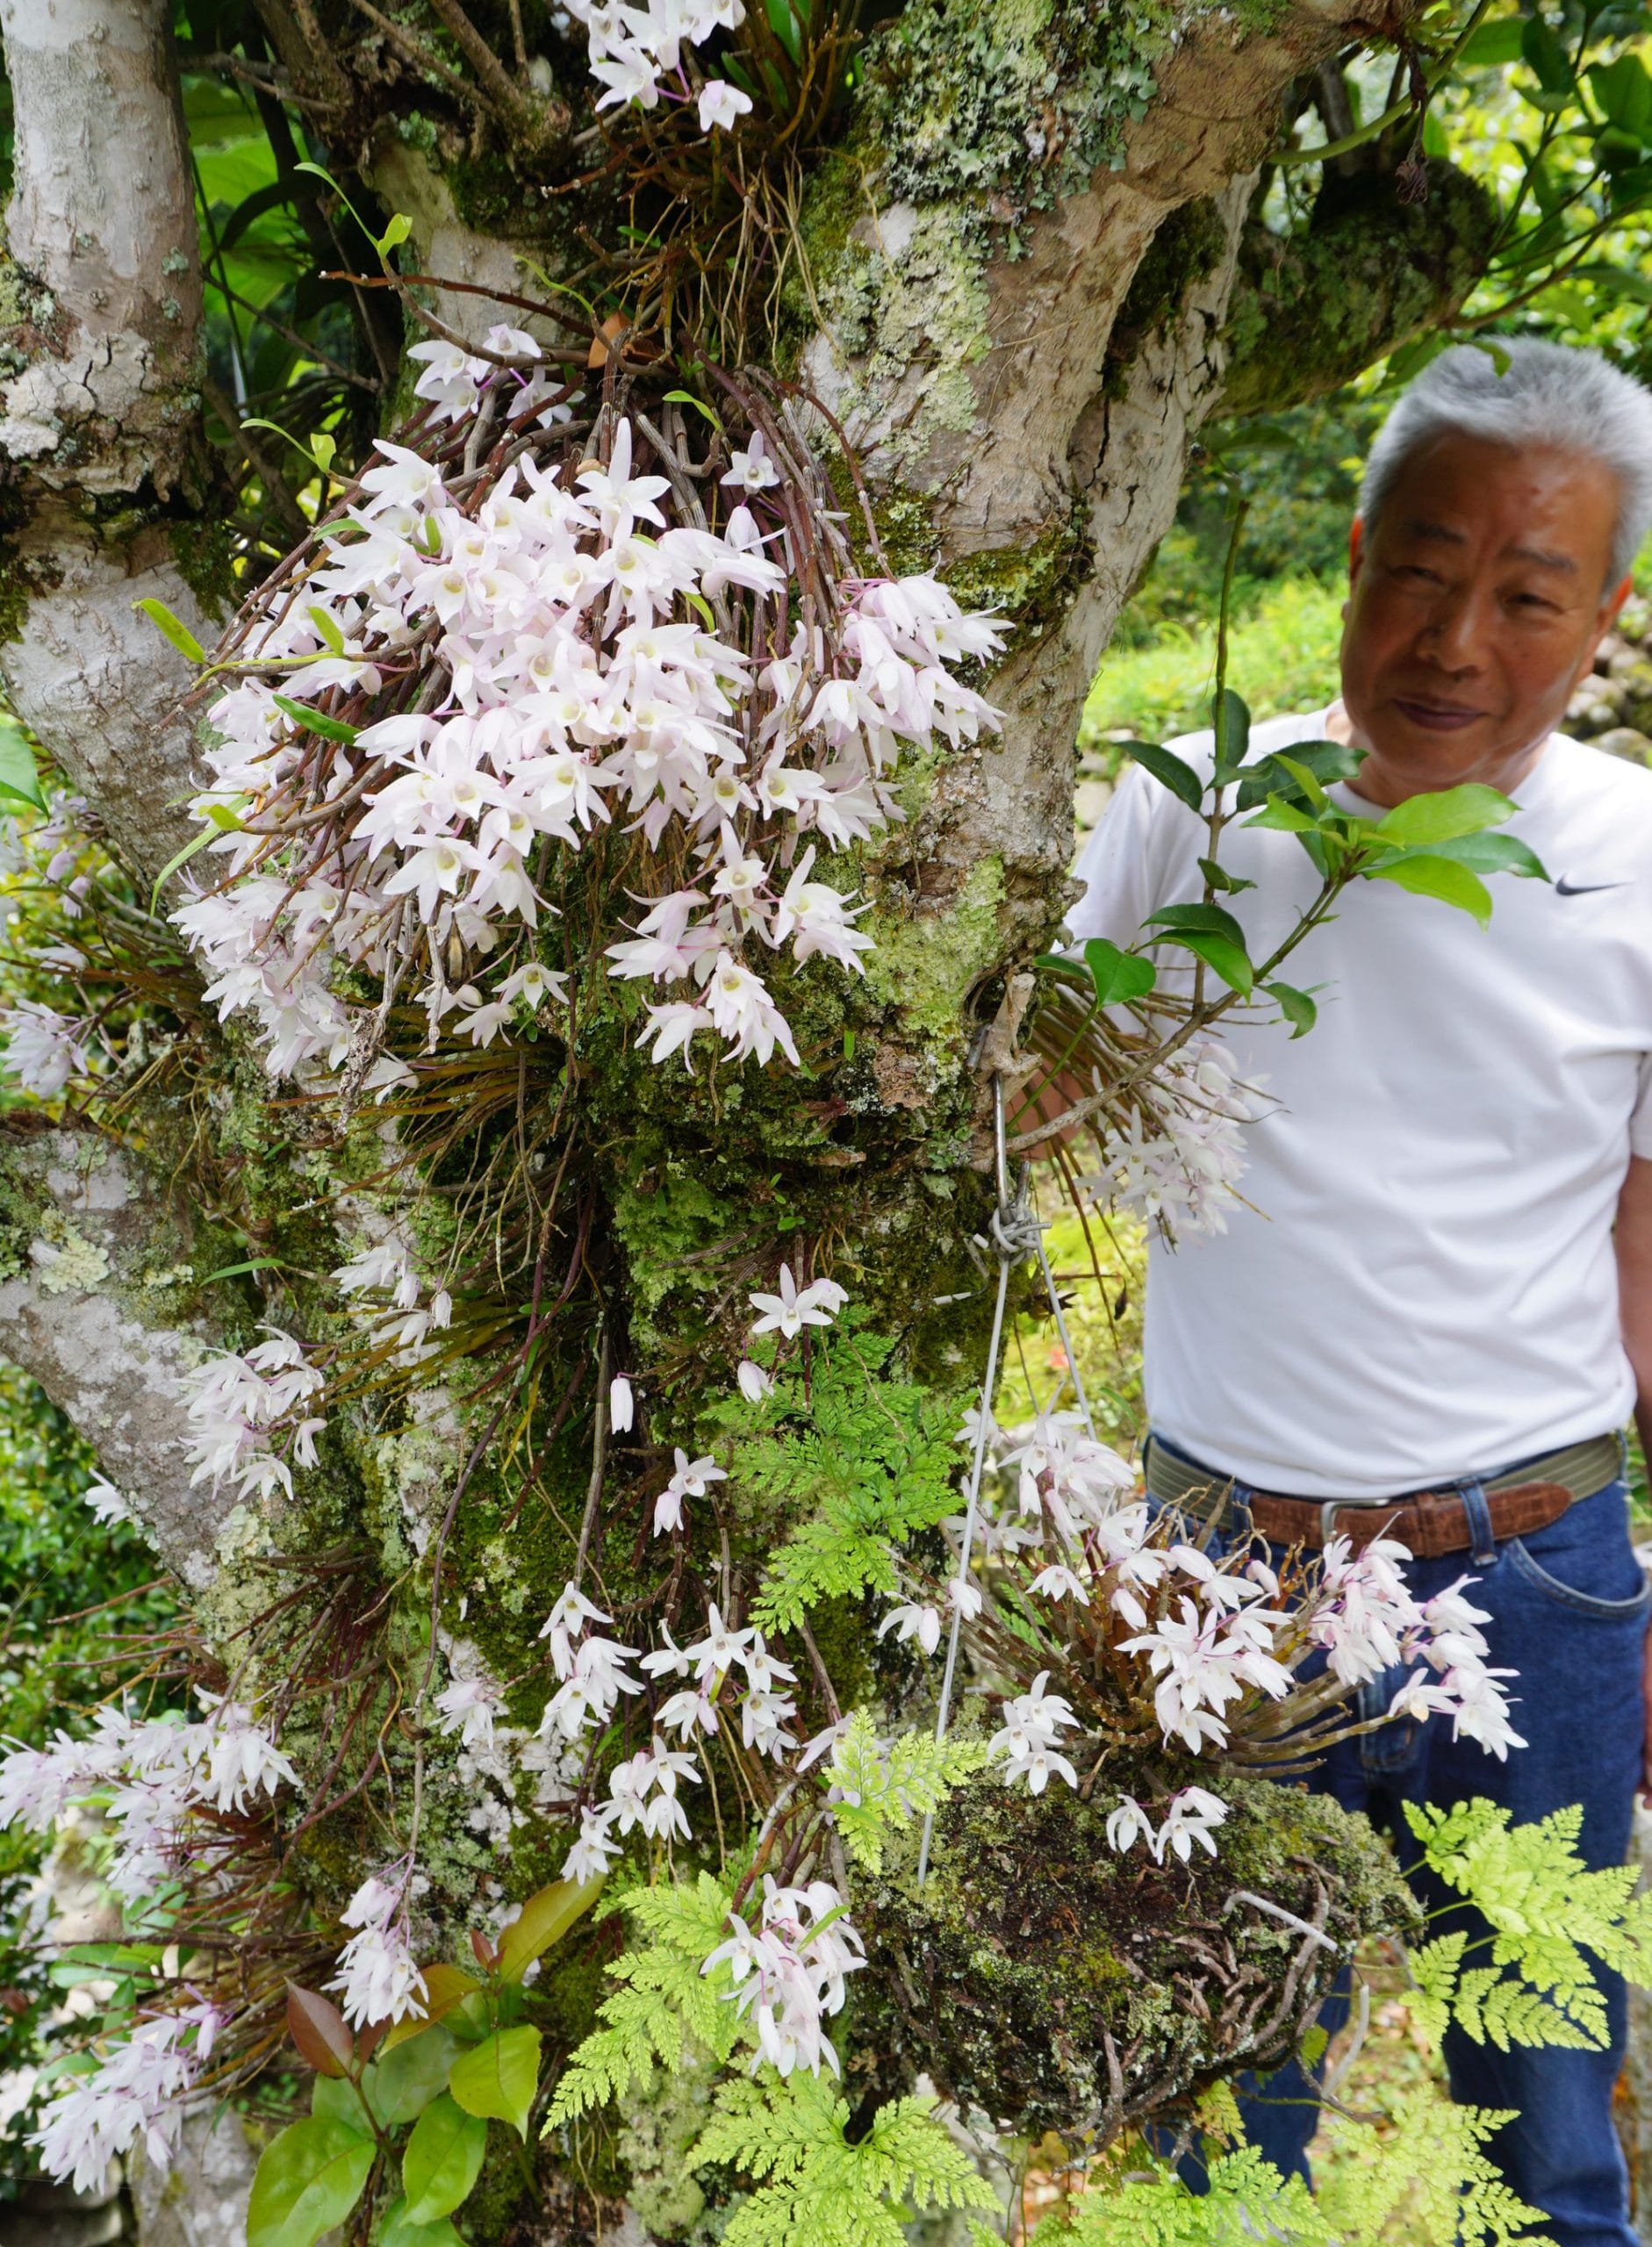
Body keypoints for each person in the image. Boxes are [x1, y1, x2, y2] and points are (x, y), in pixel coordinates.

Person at [1068, 339, 1652, 2247]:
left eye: (1522, 592)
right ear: (1348, 549)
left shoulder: (1636, 860)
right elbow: (1036, 1096)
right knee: (1207, 2134)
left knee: (1545, 2139)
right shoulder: (1193, 812)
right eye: (1418, 566)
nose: (1453, 639)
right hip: (1218, 1569)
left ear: (1602, 612)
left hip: (1536, 1569)